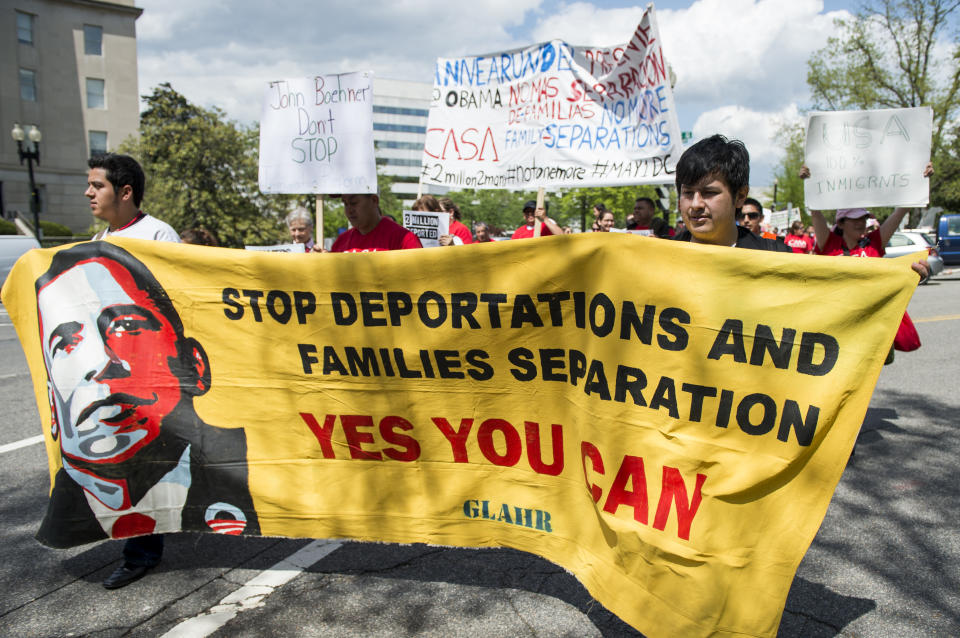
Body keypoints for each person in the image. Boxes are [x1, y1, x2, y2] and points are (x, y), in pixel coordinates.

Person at [35, 241, 259, 588]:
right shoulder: (66, 505)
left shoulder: (258, 466)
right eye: (66, 344)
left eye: (126, 327)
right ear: (53, 399)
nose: (101, 364)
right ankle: (140, 551)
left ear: (193, 364)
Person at [673, 135, 791, 252]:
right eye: (688, 193)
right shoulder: (659, 258)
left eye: (709, 193)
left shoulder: (775, 258)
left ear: (740, 196)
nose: (696, 204)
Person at [87, 154, 179, 242]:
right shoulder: (97, 239)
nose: (88, 193)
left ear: (125, 193)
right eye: (89, 186)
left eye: (98, 186)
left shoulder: (160, 235)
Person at [331, 193, 422, 252]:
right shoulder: (341, 241)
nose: (349, 210)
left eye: (354, 203)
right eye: (345, 204)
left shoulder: (404, 239)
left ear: (374, 200)